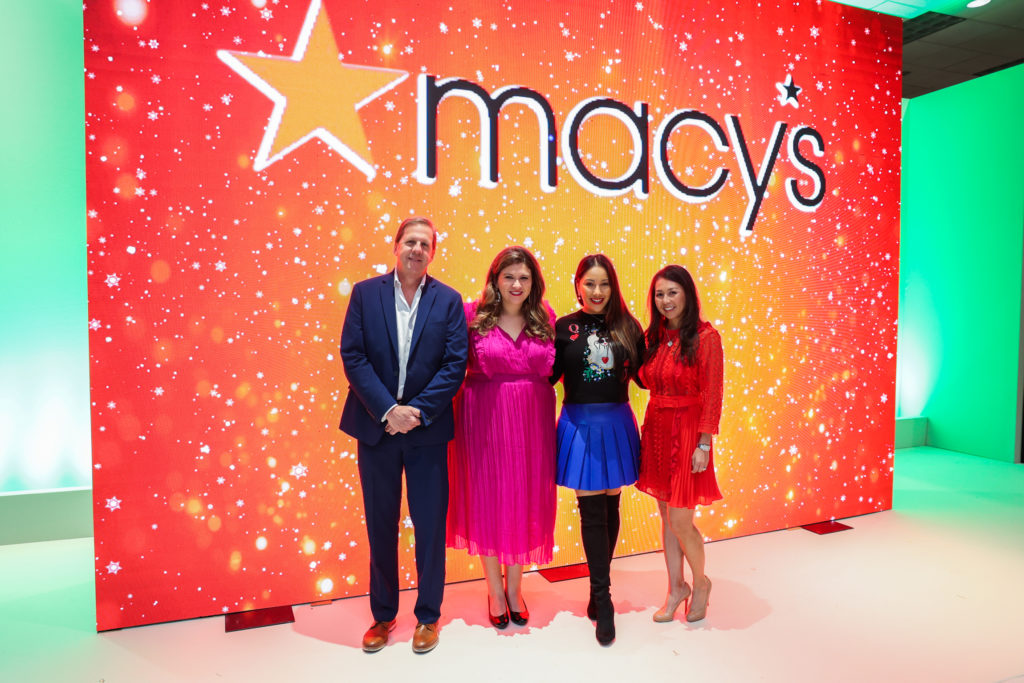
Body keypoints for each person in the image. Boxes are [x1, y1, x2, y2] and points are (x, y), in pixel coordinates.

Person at [339, 216, 468, 654]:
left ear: (433, 252)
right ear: (396, 246)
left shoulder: (449, 301)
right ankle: (382, 615)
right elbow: (353, 356)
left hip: (426, 431)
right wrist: (388, 411)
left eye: (425, 245)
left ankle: (428, 616)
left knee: (430, 527)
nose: (417, 250)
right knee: (381, 525)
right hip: (376, 429)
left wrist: (416, 412)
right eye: (410, 242)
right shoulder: (364, 294)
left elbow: (455, 364)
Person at [447, 246, 557, 630]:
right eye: (509, 276)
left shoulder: (546, 318)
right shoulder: (472, 316)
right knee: (489, 500)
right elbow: (451, 366)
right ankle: (494, 589)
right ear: (496, 279)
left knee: (524, 499)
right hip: (484, 420)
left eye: (524, 277)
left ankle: (516, 588)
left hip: (533, 424)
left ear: (533, 283)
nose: (516, 284)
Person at [550, 254, 645, 645]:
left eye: (604, 283)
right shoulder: (563, 327)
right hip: (578, 422)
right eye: (590, 283)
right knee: (591, 512)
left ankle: (596, 591)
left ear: (613, 286)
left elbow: (645, 376)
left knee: (611, 506)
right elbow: (547, 375)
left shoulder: (628, 326)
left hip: (617, 421)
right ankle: (603, 600)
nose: (597, 291)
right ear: (578, 286)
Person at [636, 265, 723, 624]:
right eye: (659, 294)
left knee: (681, 520)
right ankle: (676, 588)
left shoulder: (705, 338)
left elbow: (713, 393)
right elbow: (644, 379)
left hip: (688, 432)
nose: (665, 300)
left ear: (687, 293)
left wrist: (704, 442)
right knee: (665, 517)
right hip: (656, 426)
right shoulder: (653, 336)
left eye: (672, 292)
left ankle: (700, 583)